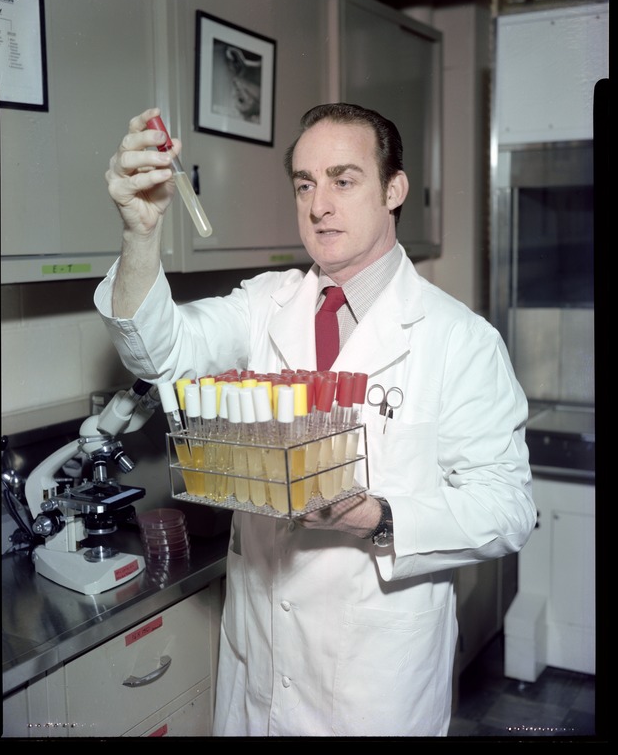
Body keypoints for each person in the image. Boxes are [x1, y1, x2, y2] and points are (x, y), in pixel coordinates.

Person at [95, 103, 536, 737]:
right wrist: (140, 235)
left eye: (343, 179)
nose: (319, 204)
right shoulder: (264, 305)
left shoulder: (459, 339)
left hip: (375, 686)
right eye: (305, 183)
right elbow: (156, 352)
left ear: (394, 189)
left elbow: (508, 507)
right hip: (259, 672)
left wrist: (379, 516)